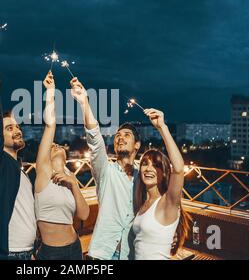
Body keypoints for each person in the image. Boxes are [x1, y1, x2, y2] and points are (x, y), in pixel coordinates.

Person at [70, 77, 141, 260]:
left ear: (137, 145)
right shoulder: (105, 171)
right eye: (117, 136)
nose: (120, 138)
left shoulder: (144, 174)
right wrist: (84, 102)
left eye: (126, 135)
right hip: (101, 253)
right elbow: (95, 140)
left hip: (131, 253)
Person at [0, 60, 37, 260]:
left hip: (26, 253)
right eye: (9, 128)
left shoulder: (19, 170)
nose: (17, 130)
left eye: (17, 126)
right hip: (7, 255)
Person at [34, 71, 90, 260]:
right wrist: (50, 92)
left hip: (75, 247)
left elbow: (83, 214)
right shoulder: (44, 172)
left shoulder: (69, 176)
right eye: (52, 146)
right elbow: (50, 126)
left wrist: (74, 183)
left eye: (58, 145)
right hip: (51, 253)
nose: (56, 145)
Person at [132, 108, 191, 260]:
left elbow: (178, 169)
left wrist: (162, 128)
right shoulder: (143, 203)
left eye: (156, 165)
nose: (149, 168)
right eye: (145, 163)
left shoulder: (167, 202)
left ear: (164, 172)